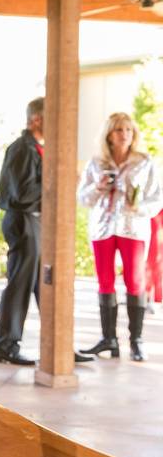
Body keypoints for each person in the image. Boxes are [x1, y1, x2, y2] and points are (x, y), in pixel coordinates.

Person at [77, 112, 162, 362]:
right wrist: (99, 187)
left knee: (135, 282)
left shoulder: (144, 162)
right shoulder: (96, 163)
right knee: (104, 282)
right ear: (109, 135)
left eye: (128, 129)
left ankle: (136, 341)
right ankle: (109, 340)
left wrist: (138, 207)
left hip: (132, 228)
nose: (124, 134)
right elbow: (82, 198)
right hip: (102, 229)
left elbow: (157, 198)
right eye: (118, 130)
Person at [0, 98, 47, 366]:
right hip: (23, 221)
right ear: (36, 119)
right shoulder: (23, 149)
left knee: (45, 287)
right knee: (20, 284)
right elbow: (23, 194)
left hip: (36, 222)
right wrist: (55, 180)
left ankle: (57, 346)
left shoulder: (36, 148)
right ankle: (5, 346)